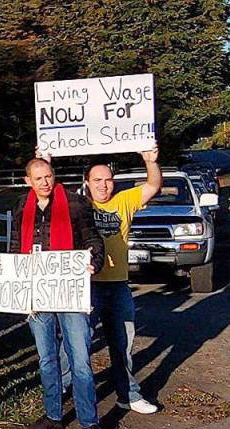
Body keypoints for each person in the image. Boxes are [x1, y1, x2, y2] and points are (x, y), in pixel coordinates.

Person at [11, 156, 109, 429]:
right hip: (38, 293)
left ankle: (89, 421)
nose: (45, 182)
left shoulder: (75, 203)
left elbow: (93, 240)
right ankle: (53, 414)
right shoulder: (22, 206)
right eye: (38, 178)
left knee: (80, 359)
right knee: (46, 359)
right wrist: (16, 277)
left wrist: (94, 263)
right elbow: (16, 246)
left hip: (70, 293)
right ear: (28, 181)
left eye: (49, 176)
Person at [80, 145, 162, 414]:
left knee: (123, 343)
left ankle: (128, 395)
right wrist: (44, 159)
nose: (103, 185)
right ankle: (69, 392)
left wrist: (150, 161)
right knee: (77, 343)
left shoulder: (125, 200)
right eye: (97, 180)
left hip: (118, 285)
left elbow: (153, 185)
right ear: (87, 182)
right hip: (86, 286)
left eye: (108, 180)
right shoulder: (78, 206)